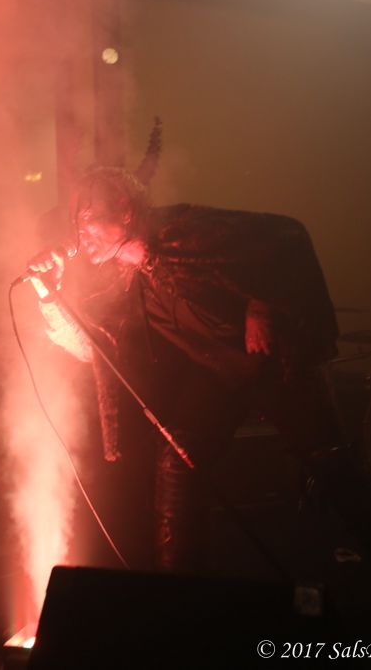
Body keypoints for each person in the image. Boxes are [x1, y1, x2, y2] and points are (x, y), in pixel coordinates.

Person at [25, 123, 343, 573]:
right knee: (178, 457)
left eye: (88, 216)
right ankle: (179, 587)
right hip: (216, 374)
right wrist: (48, 293)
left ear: (125, 211)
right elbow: (92, 347)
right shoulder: (119, 279)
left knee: (330, 463)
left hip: (273, 361)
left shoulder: (184, 230)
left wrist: (261, 305)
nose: (81, 231)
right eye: (77, 221)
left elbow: (286, 237)